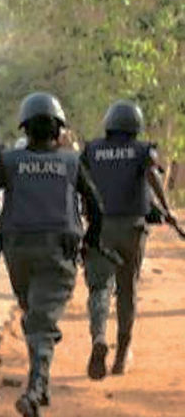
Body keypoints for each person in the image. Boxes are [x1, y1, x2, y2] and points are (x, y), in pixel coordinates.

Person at [0, 92, 104, 417]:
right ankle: (34, 391)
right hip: (57, 251)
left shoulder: (8, 159)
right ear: (59, 130)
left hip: (17, 250)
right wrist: (91, 241)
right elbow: (96, 206)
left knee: (34, 315)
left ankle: (40, 384)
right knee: (43, 324)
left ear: (25, 128)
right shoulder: (72, 162)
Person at [82, 100, 178, 379]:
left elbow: (79, 183)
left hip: (100, 229)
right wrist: (167, 209)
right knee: (127, 289)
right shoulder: (141, 150)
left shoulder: (92, 150)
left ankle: (99, 337)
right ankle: (122, 355)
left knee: (99, 287)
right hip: (132, 229)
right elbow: (153, 176)